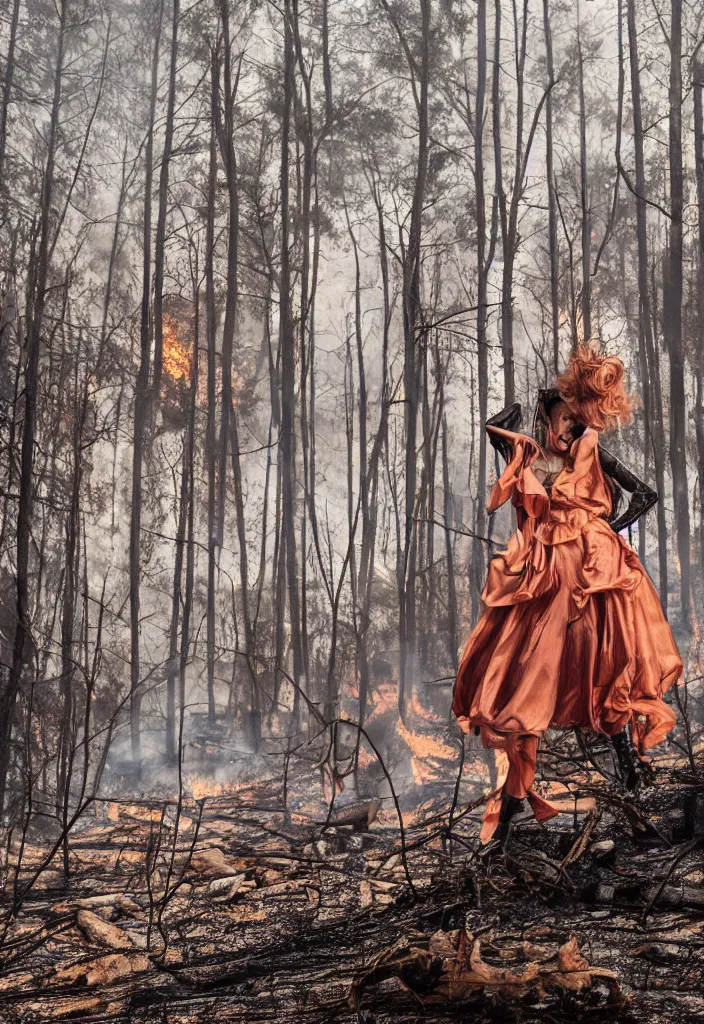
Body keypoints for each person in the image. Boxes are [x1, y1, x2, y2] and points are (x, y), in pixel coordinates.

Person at [452, 344, 683, 855]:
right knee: (527, 684)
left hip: (592, 575)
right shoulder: (534, 458)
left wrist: (605, 529)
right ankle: (507, 827)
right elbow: (514, 457)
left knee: (607, 677)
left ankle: (635, 794)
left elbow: (642, 494)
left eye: (572, 424)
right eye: (558, 423)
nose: (565, 433)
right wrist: (506, 433)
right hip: (549, 581)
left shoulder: (589, 446)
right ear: (547, 414)